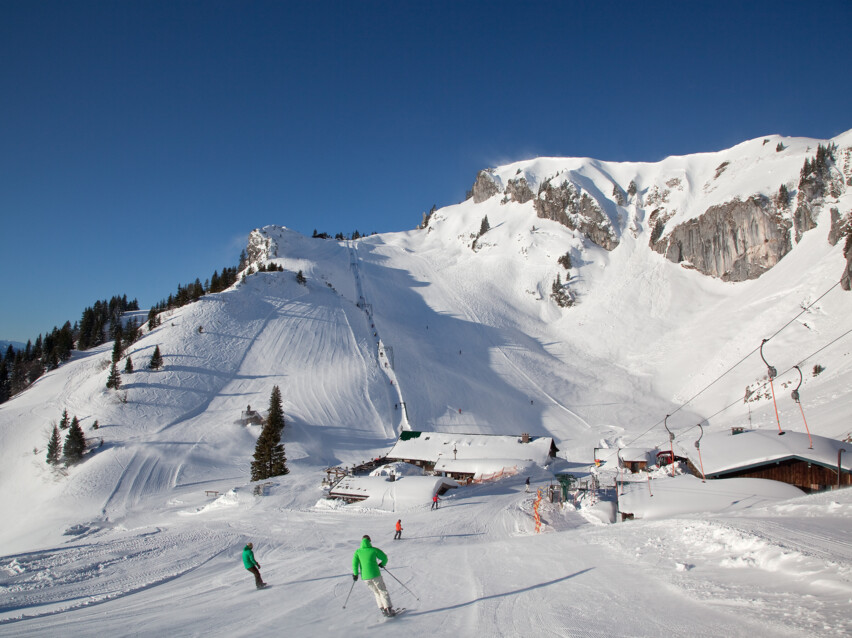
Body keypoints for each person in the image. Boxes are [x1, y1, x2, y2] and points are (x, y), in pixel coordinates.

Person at [352, 535, 395, 617]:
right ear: (369, 541)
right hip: (375, 575)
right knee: (382, 591)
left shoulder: (358, 552)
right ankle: (388, 609)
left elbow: (354, 564)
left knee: (376, 592)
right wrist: (382, 564)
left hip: (365, 577)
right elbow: (384, 557)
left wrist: (355, 574)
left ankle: (383, 609)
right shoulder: (374, 550)